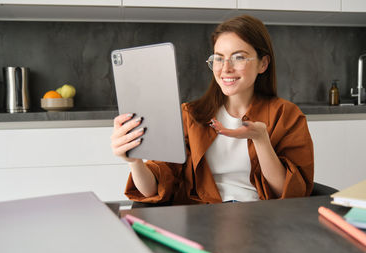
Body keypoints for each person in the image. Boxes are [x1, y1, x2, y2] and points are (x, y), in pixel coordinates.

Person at [111, 15, 314, 205]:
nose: (226, 68)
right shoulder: (190, 115)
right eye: (218, 58)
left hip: (260, 219)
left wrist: (261, 140)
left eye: (239, 57)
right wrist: (135, 160)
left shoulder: (287, 116)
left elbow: (291, 195)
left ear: (263, 64)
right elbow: (154, 188)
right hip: (201, 219)